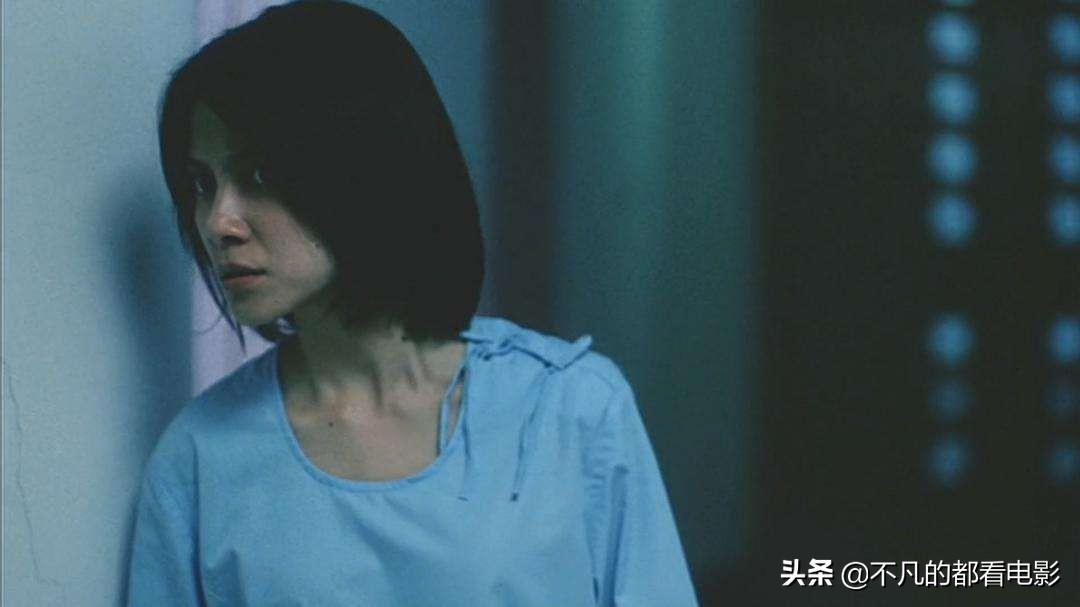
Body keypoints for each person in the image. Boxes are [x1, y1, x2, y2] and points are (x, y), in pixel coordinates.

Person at [127, 2, 698, 605]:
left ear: (367, 169)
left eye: (259, 175)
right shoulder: (200, 459)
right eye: (202, 184)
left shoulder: (568, 409)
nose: (219, 222)